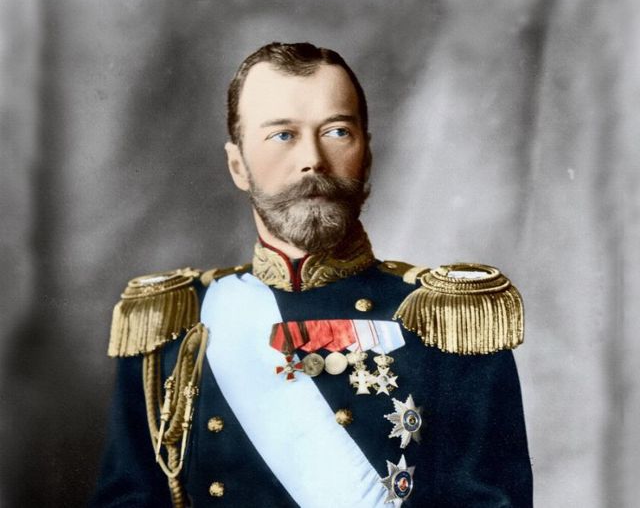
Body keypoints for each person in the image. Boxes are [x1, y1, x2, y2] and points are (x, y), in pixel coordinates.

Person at [91, 42, 532, 507]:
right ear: (238, 165)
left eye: (337, 131)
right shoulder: (176, 323)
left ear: (366, 154)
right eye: (282, 135)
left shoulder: (446, 319)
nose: (313, 160)